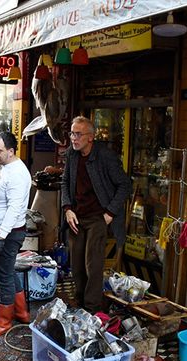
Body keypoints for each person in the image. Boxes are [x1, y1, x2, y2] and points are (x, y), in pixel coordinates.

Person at [61, 116, 131, 313]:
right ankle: (80, 304)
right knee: (76, 265)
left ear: (90, 137)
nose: (73, 138)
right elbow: (64, 182)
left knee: (93, 265)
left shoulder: (105, 156)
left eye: (78, 134)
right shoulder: (72, 155)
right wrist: (67, 208)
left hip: (98, 217)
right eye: (72, 133)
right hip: (76, 215)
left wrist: (110, 212)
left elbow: (125, 185)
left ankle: (91, 309)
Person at [0, 131, 32, 336]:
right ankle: (21, 313)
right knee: (9, 272)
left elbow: (14, 209)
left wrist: (0, 237)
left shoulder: (17, 174)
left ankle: (4, 321)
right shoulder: (8, 168)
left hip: (8, 234)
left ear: (11, 151)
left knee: (3, 277)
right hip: (4, 232)